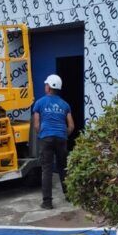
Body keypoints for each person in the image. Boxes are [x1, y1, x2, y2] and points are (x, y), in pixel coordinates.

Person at [32, 73, 74, 210]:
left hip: (47, 138)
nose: (45, 86)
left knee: (47, 170)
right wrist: (63, 135)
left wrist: (43, 135)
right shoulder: (65, 105)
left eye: (46, 85)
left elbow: (36, 125)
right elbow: (71, 126)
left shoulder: (39, 103)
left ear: (49, 87)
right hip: (61, 138)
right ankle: (69, 196)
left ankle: (47, 203)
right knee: (63, 167)